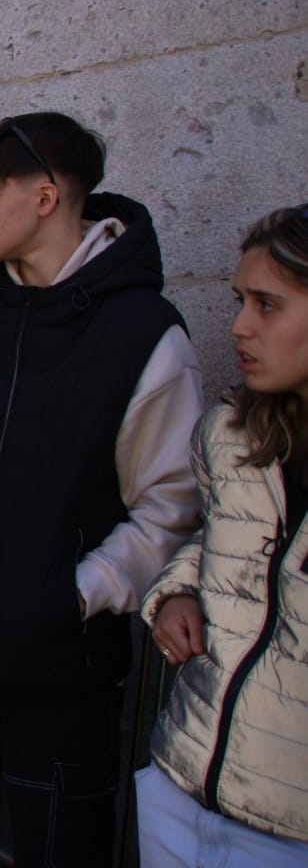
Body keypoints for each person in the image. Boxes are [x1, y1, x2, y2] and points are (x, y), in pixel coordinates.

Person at [0, 113, 206, 866]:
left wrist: (73, 595)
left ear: (48, 196)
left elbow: (169, 510)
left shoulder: (147, 336)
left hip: (57, 674)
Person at [136, 205, 308, 867]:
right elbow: (221, 538)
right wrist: (176, 594)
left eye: (268, 304)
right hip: (183, 783)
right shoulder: (232, 433)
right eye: (242, 300)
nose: (238, 326)